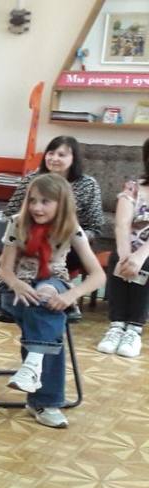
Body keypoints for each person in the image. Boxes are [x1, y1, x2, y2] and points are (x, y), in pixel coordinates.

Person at [0, 173, 105, 428]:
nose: (37, 207)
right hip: (16, 287)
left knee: (47, 296)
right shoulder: (17, 222)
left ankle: (32, 368)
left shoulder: (71, 229)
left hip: (53, 284)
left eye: (45, 202)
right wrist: (17, 284)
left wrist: (71, 295)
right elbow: (5, 270)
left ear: (61, 203)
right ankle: (45, 401)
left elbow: (98, 275)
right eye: (33, 200)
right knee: (47, 312)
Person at [98, 138, 149, 358]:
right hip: (132, 247)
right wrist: (125, 256)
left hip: (147, 253)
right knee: (116, 258)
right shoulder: (134, 187)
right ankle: (117, 326)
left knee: (146, 263)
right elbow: (122, 225)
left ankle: (134, 329)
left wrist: (139, 256)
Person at [3, 136, 104, 240]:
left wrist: (75, 239)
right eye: (51, 153)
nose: (54, 159)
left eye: (61, 155)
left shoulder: (88, 184)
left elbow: (94, 227)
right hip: (30, 238)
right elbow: (9, 214)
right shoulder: (31, 179)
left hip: (70, 240)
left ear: (74, 158)